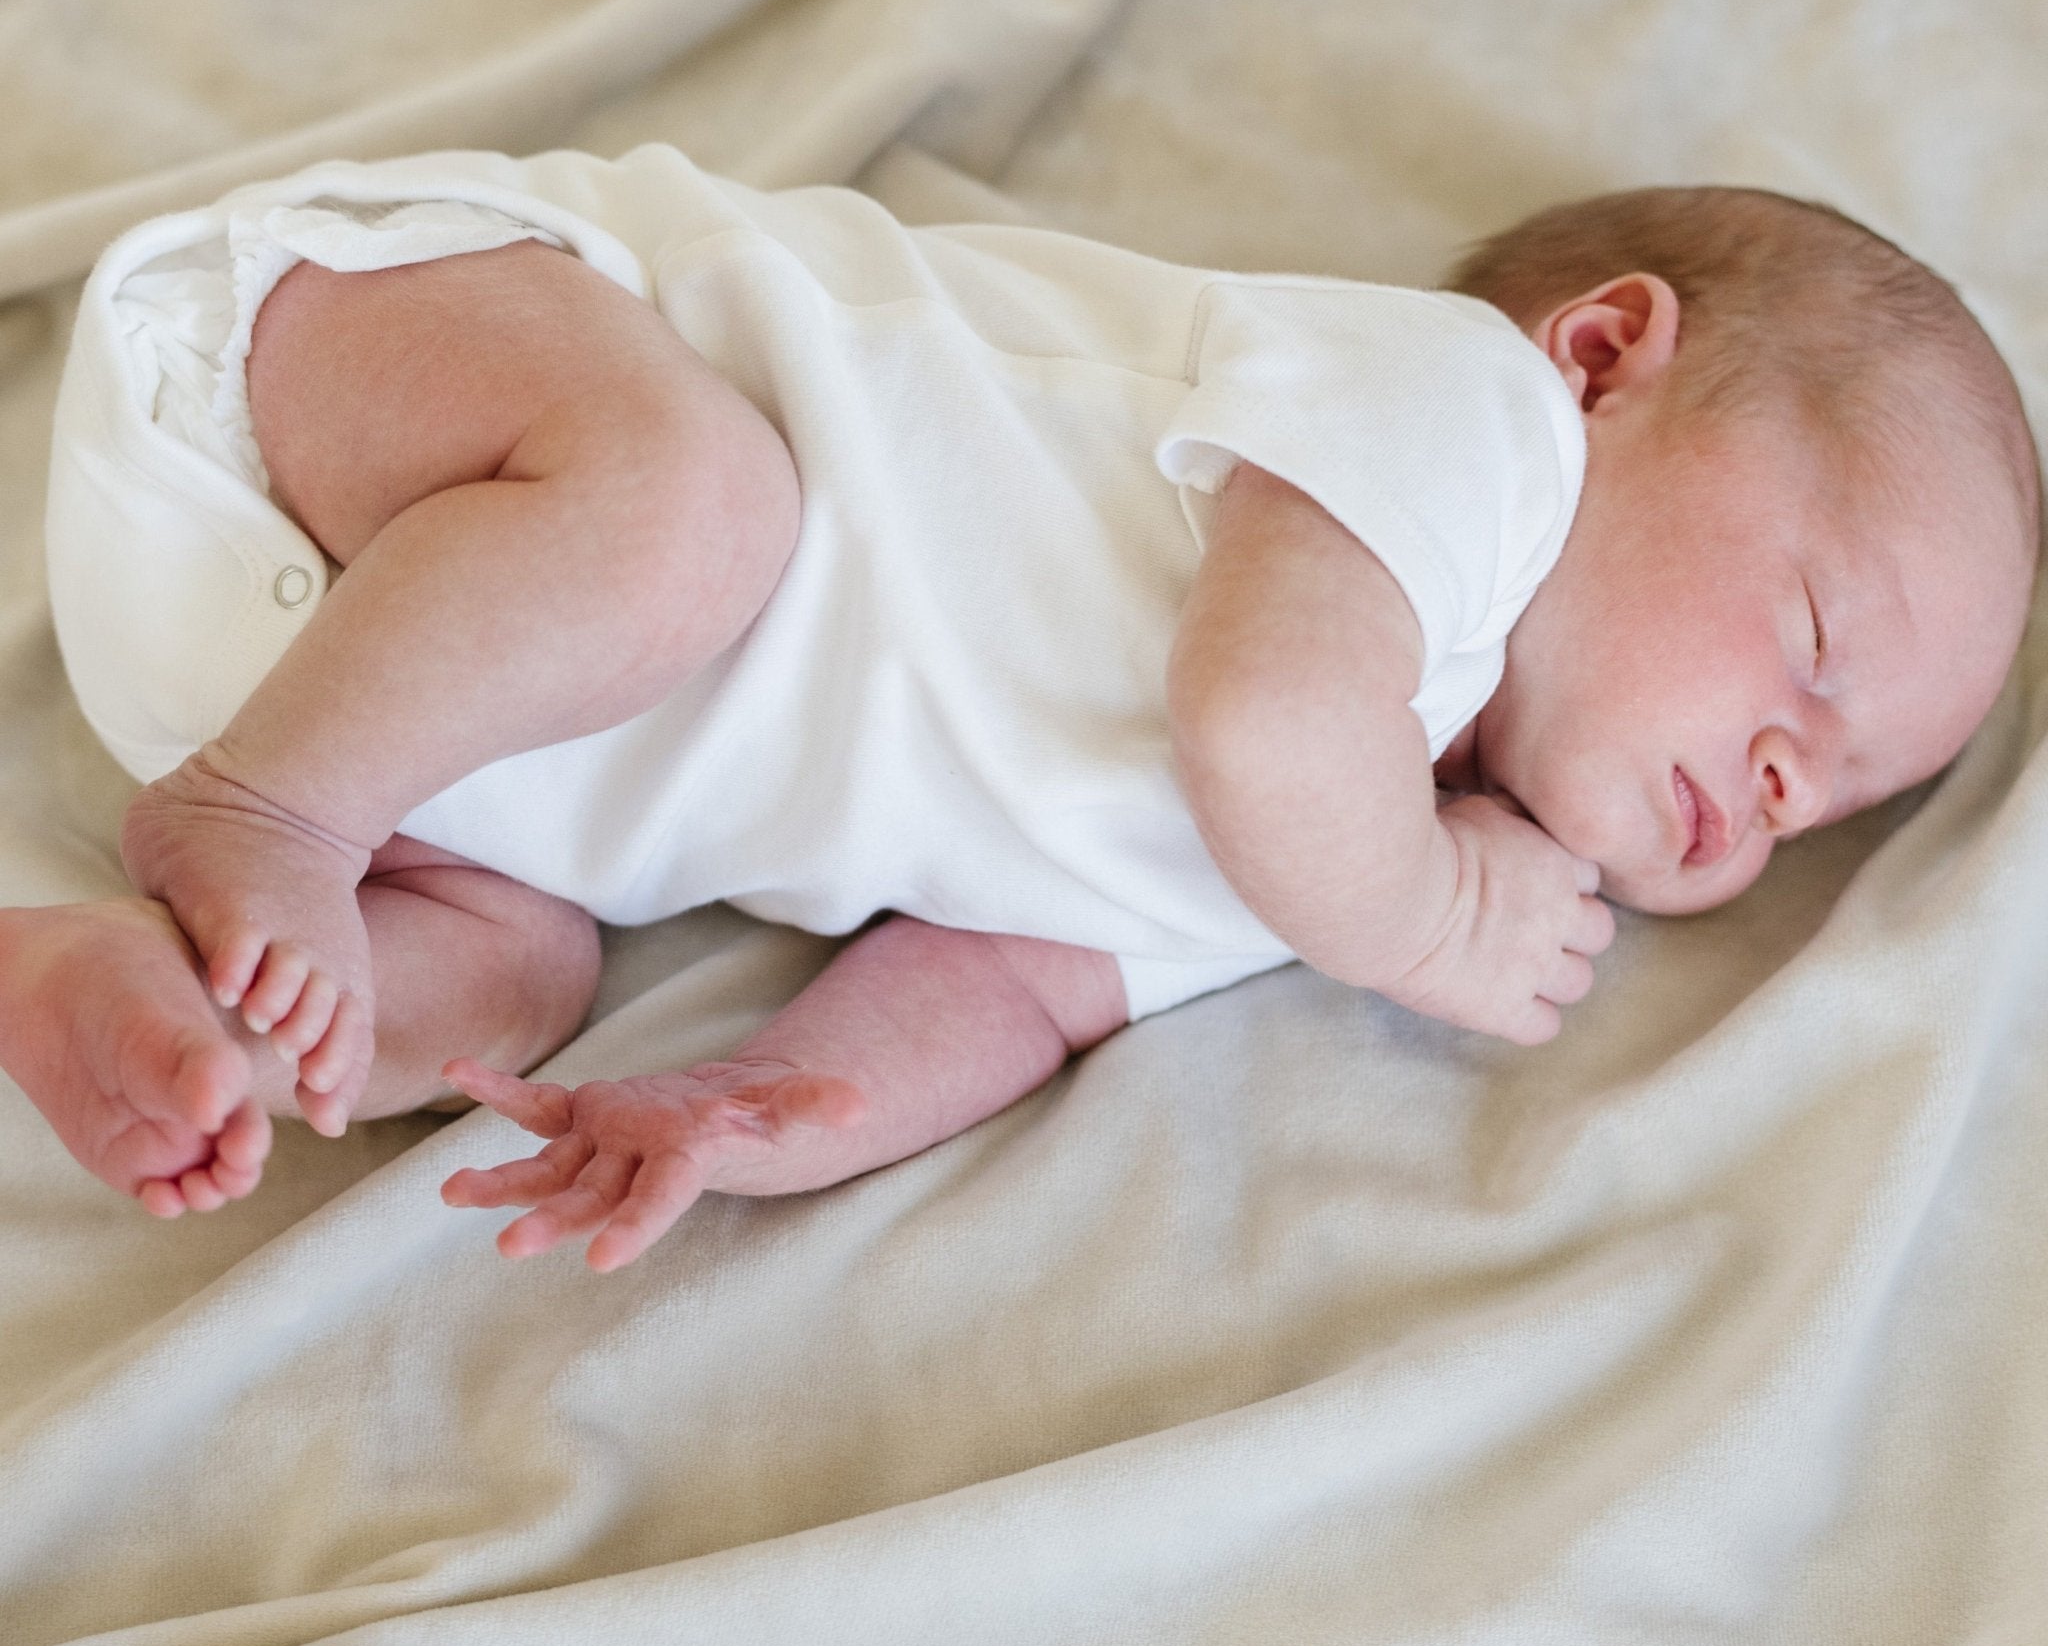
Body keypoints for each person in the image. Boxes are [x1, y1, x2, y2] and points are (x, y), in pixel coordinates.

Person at [0, 152, 2035, 1273]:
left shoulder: (1300, 866)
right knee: (694, 514)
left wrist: (748, 1113)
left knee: (514, 986)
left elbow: (1006, 989)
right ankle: (260, 810)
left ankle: (159, 1003)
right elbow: (1260, 713)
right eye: (1812, 641)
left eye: (1837, 795)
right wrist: (1422, 923)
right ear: (1607, 355)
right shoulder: (1465, 433)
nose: (1785, 771)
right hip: (382, 378)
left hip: (373, 710)